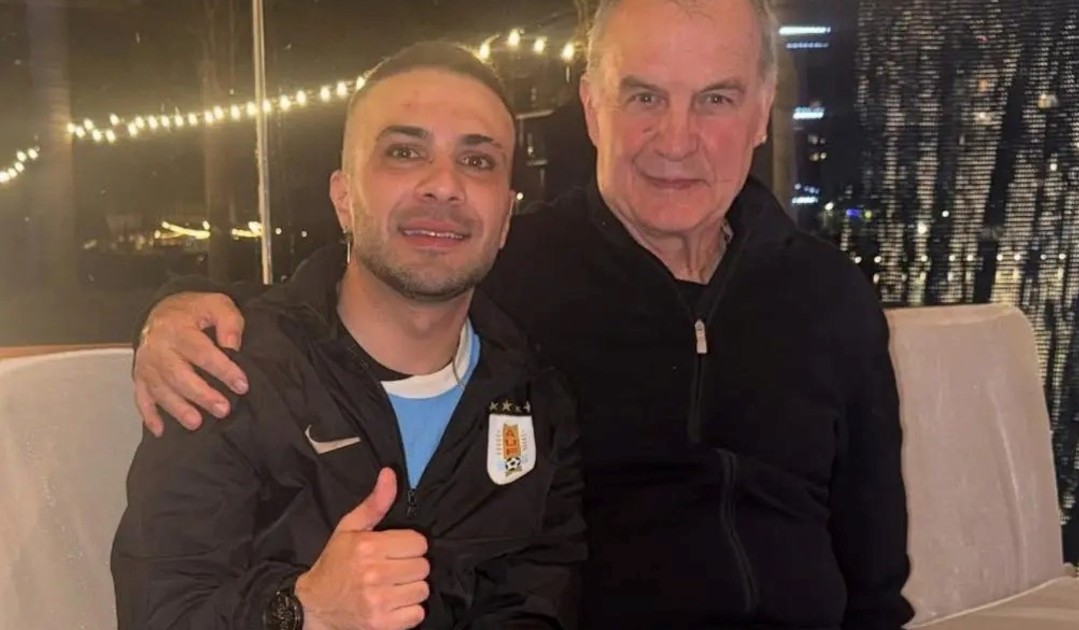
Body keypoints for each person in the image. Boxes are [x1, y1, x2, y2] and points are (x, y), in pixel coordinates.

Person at [131, 0, 914, 627]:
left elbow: (875, 569)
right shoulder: (511, 269)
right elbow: (374, 286)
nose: (677, 139)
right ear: (592, 107)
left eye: (716, 99)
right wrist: (174, 311)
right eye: (644, 96)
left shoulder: (831, 296)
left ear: (762, 111)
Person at [111, 42, 585, 630]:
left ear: (506, 217)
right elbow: (160, 611)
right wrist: (302, 609)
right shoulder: (227, 373)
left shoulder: (535, 401)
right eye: (405, 153)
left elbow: (539, 604)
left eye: (478, 161)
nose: (444, 185)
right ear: (344, 199)